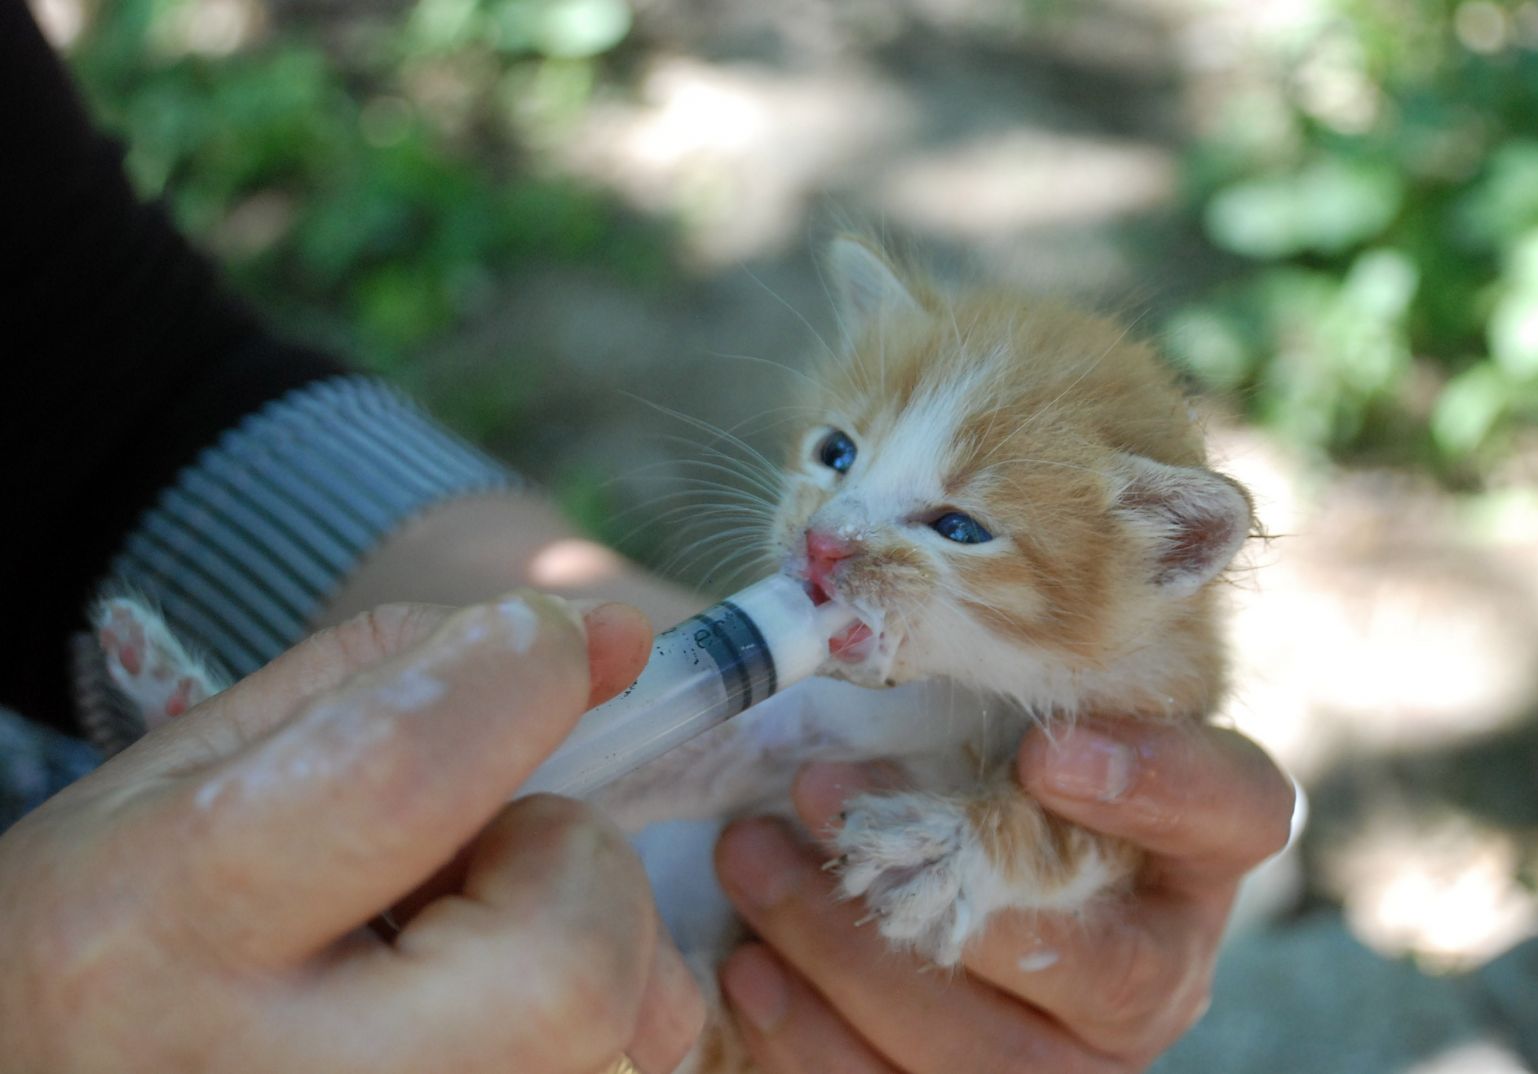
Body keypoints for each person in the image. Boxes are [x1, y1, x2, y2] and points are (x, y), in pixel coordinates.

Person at [0, 0, 1296, 1069]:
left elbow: (109, 385)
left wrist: (996, 847)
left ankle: (253, 778)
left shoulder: (1129, 679)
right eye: (836, 456)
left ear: (1171, 552)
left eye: (953, 522)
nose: (830, 534)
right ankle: (254, 783)